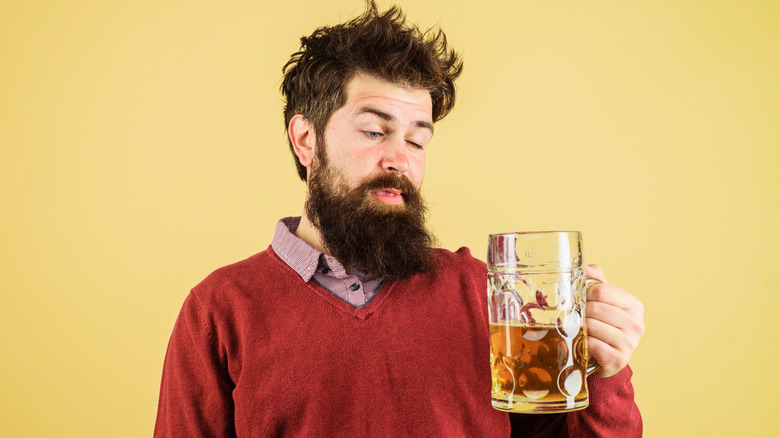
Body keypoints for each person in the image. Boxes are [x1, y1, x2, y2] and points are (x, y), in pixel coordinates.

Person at [153, 1, 645, 436]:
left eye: (416, 139)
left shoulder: (488, 293)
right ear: (306, 140)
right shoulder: (219, 309)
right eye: (373, 131)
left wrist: (604, 371)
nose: (400, 160)